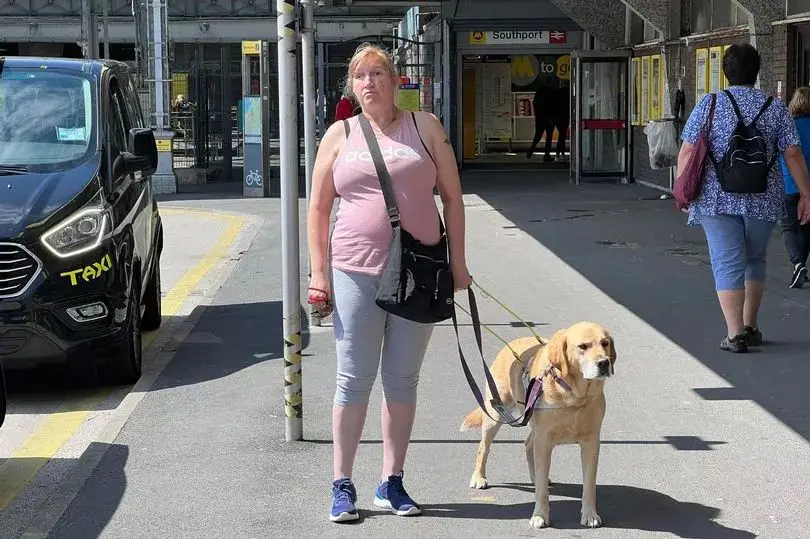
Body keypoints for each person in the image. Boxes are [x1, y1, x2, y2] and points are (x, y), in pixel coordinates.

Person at [307, 43, 472, 522]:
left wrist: (458, 263)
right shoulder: (339, 135)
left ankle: (392, 481)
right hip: (354, 270)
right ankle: (342, 483)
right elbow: (318, 209)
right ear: (352, 87)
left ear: (397, 81)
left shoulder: (426, 127)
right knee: (353, 378)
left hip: (419, 272)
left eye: (378, 73)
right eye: (360, 76)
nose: (369, 82)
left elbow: (454, 201)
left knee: (402, 378)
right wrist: (319, 273)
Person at [678, 43, 810, 353]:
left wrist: (682, 189)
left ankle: (735, 334)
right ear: (757, 71)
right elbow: (792, 153)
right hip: (762, 196)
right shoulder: (774, 107)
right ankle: (750, 326)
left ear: (725, 72)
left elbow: (687, 149)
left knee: (727, 262)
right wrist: (806, 194)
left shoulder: (709, 104)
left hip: (716, 198)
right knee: (754, 259)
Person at [778, 87, 810, 288]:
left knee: (789, 227)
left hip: (789, 183)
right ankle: (801, 266)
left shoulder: (789, 126)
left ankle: (798, 263)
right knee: (806, 227)